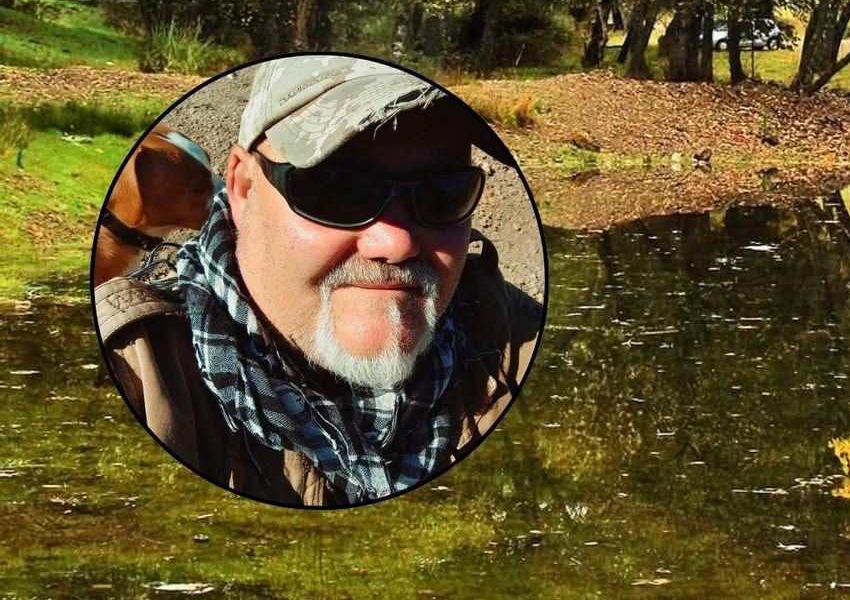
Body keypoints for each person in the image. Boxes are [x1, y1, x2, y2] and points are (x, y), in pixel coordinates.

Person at [94, 55, 544, 507]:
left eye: (443, 194)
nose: (395, 241)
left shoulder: (520, 346)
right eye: (337, 191)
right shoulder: (133, 366)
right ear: (243, 190)